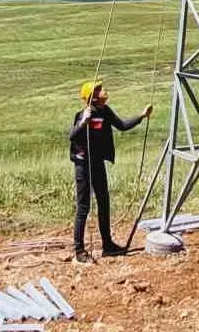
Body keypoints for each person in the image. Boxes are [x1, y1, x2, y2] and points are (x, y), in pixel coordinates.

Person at [69, 79, 151, 263]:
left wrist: (142, 116)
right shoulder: (82, 114)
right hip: (83, 165)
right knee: (83, 208)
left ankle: (108, 245)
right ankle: (79, 251)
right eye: (100, 89)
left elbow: (121, 125)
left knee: (104, 203)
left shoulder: (105, 111)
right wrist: (84, 121)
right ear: (93, 97)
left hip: (98, 164)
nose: (104, 91)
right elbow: (72, 136)